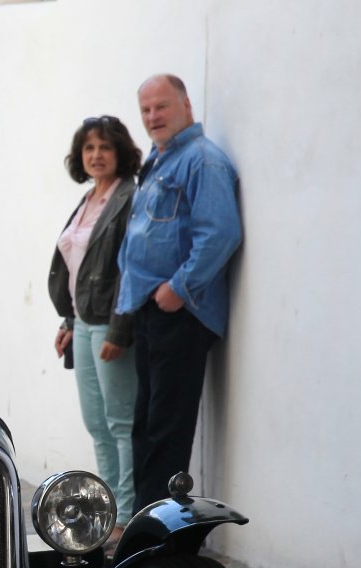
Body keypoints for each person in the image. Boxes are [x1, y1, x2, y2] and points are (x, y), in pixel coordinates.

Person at [115, 73, 242, 511]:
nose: (153, 116)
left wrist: (179, 288)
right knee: (146, 426)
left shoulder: (202, 160)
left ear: (186, 105)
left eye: (161, 106)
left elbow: (220, 233)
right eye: (146, 110)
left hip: (181, 312)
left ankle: (162, 536)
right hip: (151, 311)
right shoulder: (160, 160)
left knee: (166, 431)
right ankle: (145, 525)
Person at [48, 114, 141, 546]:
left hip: (109, 323)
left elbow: (128, 269)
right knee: (96, 422)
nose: (97, 155)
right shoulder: (88, 199)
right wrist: (69, 320)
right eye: (89, 148)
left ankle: (128, 512)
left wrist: (119, 329)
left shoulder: (128, 198)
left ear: (120, 152)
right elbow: (76, 270)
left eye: (105, 146)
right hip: (83, 324)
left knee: (121, 421)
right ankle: (111, 509)